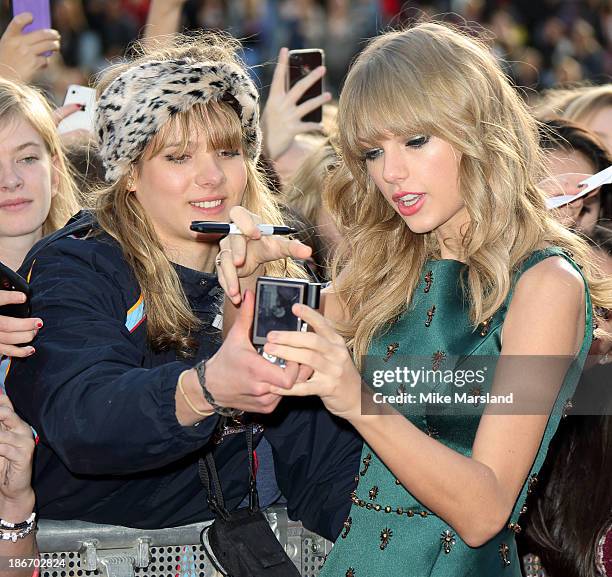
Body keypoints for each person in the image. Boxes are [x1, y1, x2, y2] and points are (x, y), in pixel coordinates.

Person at [215, 22, 612, 575]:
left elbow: (485, 509)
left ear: (477, 130)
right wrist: (245, 280)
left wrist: (355, 397)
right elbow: (262, 360)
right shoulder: (395, 264)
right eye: (373, 151)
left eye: (416, 141)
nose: (391, 172)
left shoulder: (547, 284)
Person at [5, 33, 360, 540]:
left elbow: (325, 465)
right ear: (129, 173)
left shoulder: (273, 258)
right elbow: (84, 414)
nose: (210, 177)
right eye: (177, 157)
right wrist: (206, 387)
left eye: (227, 150)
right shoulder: (77, 265)